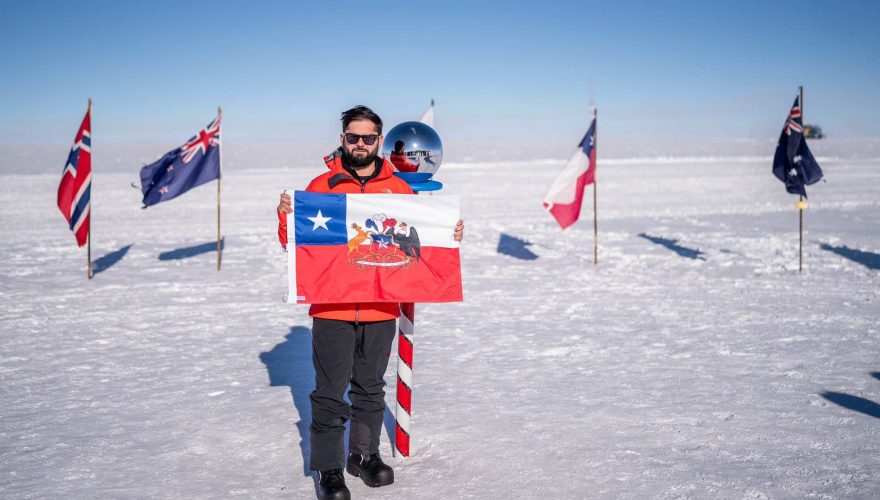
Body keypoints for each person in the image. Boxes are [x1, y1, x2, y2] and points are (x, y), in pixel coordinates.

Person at [276, 105, 464, 500]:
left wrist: (449, 232)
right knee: (330, 389)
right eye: (352, 137)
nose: (359, 144)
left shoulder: (399, 189)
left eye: (367, 138)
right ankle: (329, 467)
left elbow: (418, 239)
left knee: (370, 385)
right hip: (333, 308)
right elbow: (296, 245)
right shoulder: (321, 186)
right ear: (342, 139)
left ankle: (363, 455)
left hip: (381, 306)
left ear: (379, 141)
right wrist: (286, 217)